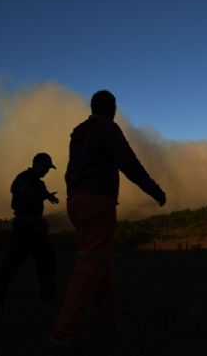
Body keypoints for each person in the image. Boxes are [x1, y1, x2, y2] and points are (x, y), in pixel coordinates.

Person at [50, 90, 166, 350]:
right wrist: (155, 191)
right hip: (97, 200)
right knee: (91, 263)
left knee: (101, 262)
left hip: (77, 201)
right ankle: (63, 332)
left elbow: (70, 171)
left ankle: (107, 325)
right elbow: (129, 164)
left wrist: (73, 196)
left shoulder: (78, 136)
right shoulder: (107, 129)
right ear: (113, 109)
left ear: (92, 108)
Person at [0, 152, 60, 305]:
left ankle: (47, 295)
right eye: (46, 168)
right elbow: (17, 190)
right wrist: (30, 191)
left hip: (34, 228)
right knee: (15, 262)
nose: (47, 171)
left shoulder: (38, 182)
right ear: (37, 165)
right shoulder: (23, 178)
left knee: (46, 260)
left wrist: (47, 196)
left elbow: (38, 193)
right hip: (25, 228)